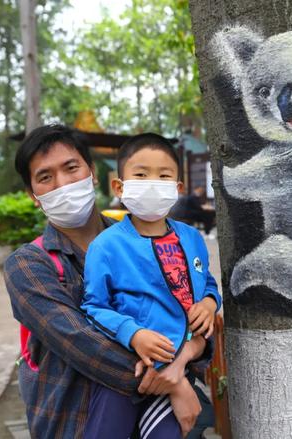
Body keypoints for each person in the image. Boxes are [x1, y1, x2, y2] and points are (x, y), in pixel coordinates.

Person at [4, 125, 210, 438]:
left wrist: (192, 349)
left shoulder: (146, 239)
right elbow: (82, 343)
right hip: (76, 422)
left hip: (160, 418)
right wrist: (173, 379)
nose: (62, 184)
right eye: (45, 177)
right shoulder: (28, 265)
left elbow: (185, 310)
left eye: (71, 168)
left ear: (93, 175)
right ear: (34, 196)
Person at [81, 133, 222, 439]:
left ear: (177, 188)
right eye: (141, 174)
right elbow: (93, 307)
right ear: (119, 186)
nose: (152, 182)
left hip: (179, 367)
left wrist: (210, 303)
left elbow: (206, 282)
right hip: (126, 375)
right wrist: (134, 333)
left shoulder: (192, 239)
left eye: (164, 175)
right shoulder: (106, 246)